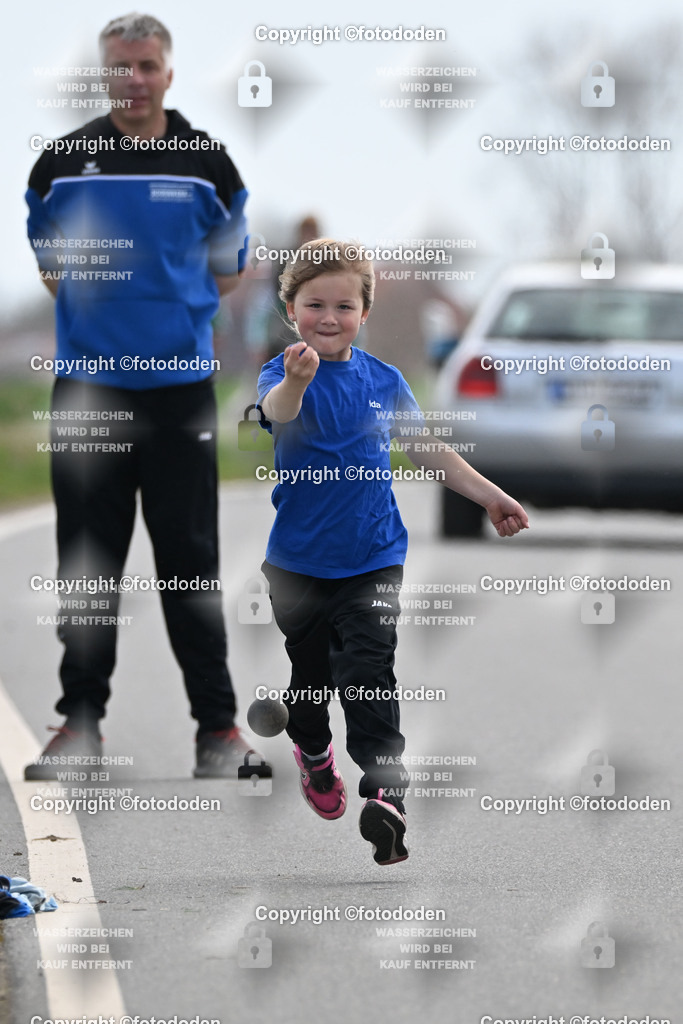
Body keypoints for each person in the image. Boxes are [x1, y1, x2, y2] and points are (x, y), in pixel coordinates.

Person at [24, 13, 256, 780]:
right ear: (103, 72)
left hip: (178, 395)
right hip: (88, 392)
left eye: (146, 65)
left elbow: (227, 272)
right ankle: (79, 726)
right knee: (88, 565)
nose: (133, 79)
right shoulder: (60, 166)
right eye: (119, 67)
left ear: (168, 72)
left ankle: (217, 732)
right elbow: (51, 269)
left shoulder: (207, 166)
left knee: (189, 562)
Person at [257, 239, 529, 865]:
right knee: (311, 680)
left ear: (364, 311)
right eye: (314, 304)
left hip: (374, 558)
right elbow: (275, 414)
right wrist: (296, 382)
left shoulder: (385, 381)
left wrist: (489, 496)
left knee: (370, 673)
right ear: (291, 309)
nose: (329, 318)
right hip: (297, 565)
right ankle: (314, 755)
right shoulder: (284, 372)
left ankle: (386, 794)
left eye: (344, 306)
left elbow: (425, 448)